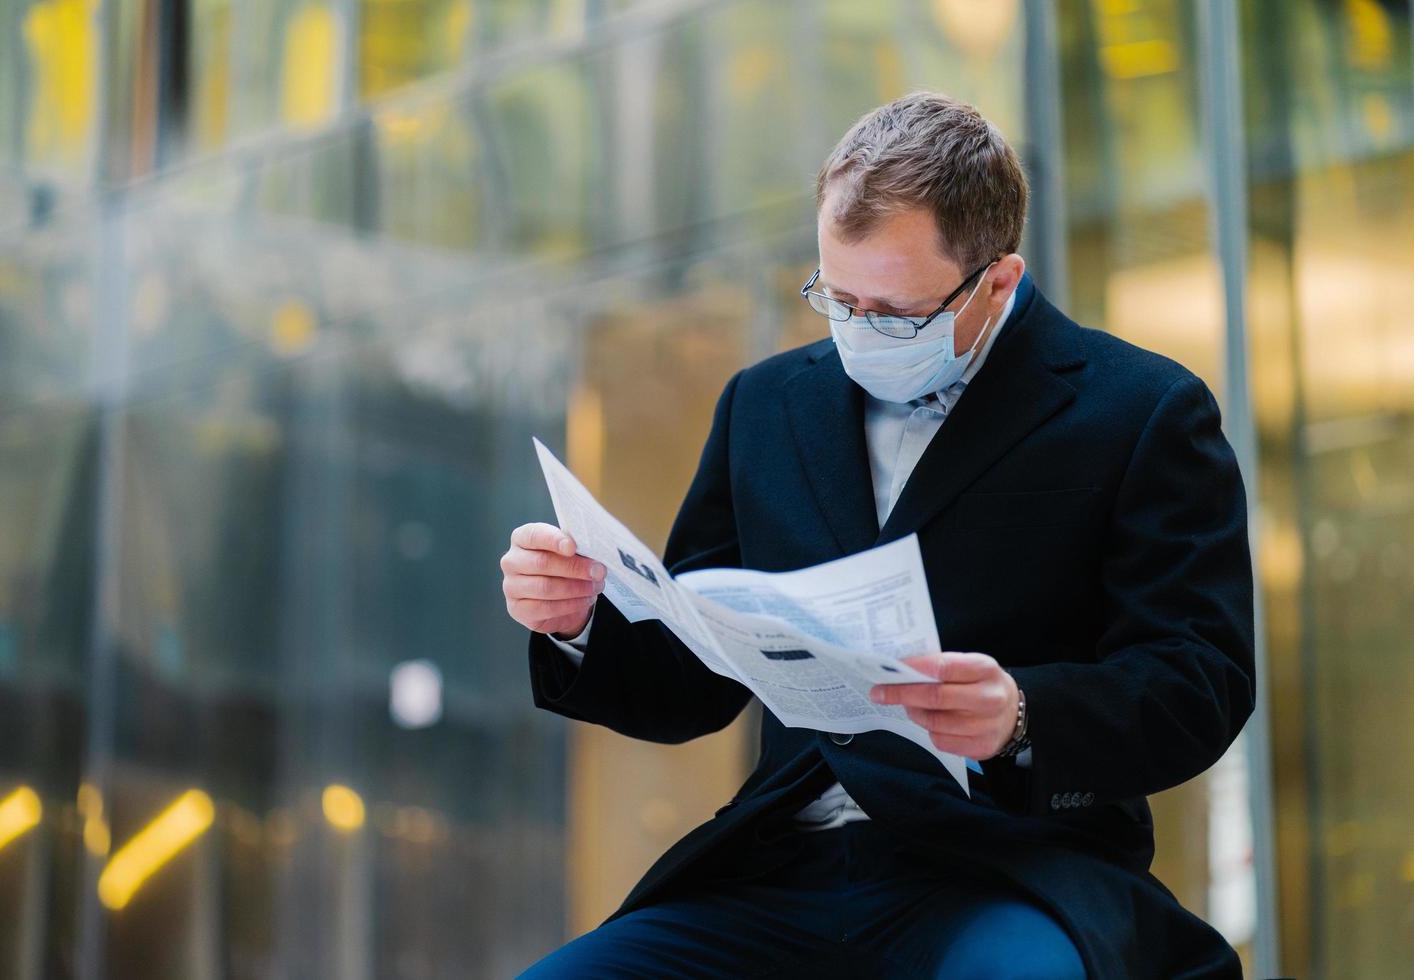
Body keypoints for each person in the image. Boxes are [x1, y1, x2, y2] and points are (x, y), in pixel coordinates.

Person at [499, 91, 1254, 978]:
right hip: (778, 865)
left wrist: (1020, 715)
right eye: (835, 296)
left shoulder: (1140, 411)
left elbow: (1198, 680)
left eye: (895, 315)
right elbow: (690, 685)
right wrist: (578, 621)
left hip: (1011, 865)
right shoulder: (765, 404)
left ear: (998, 281)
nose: (857, 332)